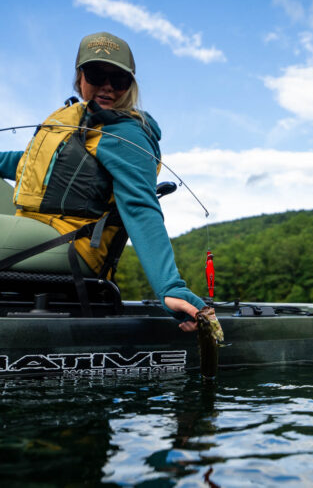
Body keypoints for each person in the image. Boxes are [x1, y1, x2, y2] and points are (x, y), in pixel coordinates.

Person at [0, 32, 203, 331]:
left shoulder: (126, 135)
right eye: (97, 74)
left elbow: (141, 209)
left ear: (130, 86)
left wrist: (169, 287)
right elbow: (29, 163)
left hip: (72, 244)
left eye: (118, 79)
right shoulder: (74, 118)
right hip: (34, 224)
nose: (107, 86)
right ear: (80, 77)